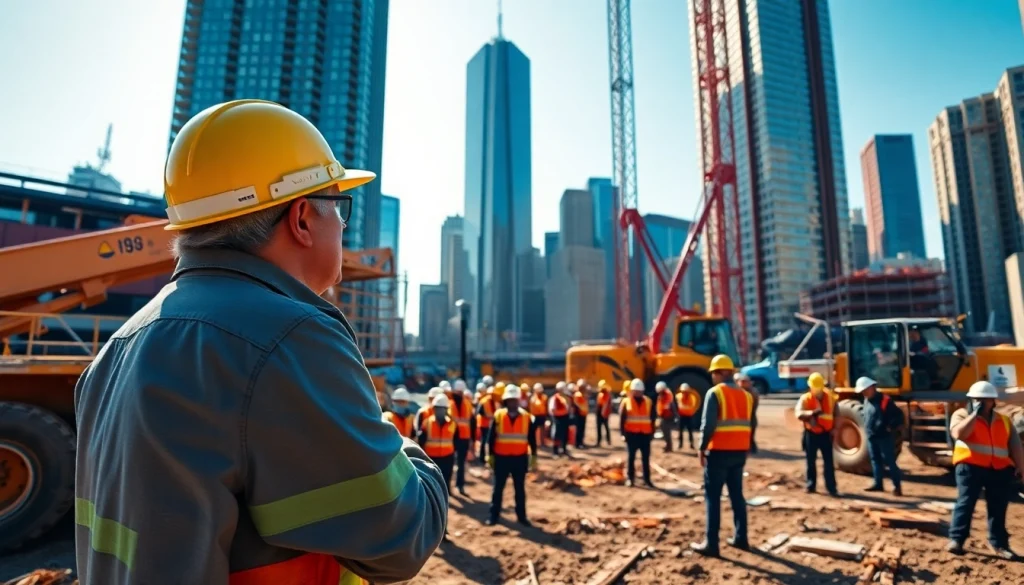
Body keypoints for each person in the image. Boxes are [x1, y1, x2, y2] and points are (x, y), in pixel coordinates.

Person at [73, 100, 446, 584]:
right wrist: (401, 448)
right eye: (339, 208)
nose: (343, 226)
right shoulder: (291, 339)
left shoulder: (116, 350)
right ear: (302, 218)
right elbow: (402, 538)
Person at [946, 381, 1024, 559]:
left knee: (998, 507)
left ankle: (999, 544)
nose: (981, 402)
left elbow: (1016, 446)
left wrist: (1021, 467)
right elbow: (959, 434)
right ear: (971, 399)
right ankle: (956, 540)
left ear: (993, 401)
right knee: (965, 503)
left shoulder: (1003, 420)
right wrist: (975, 414)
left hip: (998, 469)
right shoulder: (962, 415)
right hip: (970, 467)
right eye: (977, 399)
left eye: (986, 400)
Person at [692, 355, 755, 557]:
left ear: (719, 373)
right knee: (737, 496)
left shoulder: (715, 393)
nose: (712, 377)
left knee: (713, 497)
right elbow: (750, 424)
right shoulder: (746, 395)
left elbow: (708, 426)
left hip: (718, 452)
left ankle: (712, 544)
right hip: (739, 453)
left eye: (713, 373)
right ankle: (741, 538)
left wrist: (702, 448)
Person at [485, 385, 537, 526]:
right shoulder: (498, 415)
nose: (512, 403)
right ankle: (493, 516)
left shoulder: (526, 417)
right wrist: (490, 456)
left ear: (518, 400)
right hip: (501, 458)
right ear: (506, 401)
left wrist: (534, 456)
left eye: (514, 400)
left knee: (519, 489)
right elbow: (491, 438)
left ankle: (522, 517)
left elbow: (531, 438)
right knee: (497, 489)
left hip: (520, 459)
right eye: (509, 400)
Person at [417, 394, 457, 543]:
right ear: (433, 409)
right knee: (428, 496)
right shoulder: (426, 423)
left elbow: (456, 443)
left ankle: (442, 529)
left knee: (443, 497)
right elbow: (421, 444)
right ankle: (427, 531)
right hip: (430, 462)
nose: (440, 411)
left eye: (442, 409)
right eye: (437, 408)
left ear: (446, 410)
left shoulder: (453, 424)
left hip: (447, 461)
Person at [857, 377, 904, 495]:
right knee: (875, 460)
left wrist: (890, 427)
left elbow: (899, 416)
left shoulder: (885, 400)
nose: (863, 393)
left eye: (865, 390)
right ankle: (878, 484)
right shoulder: (866, 399)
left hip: (884, 437)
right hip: (871, 436)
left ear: (872, 387)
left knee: (890, 461)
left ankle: (897, 487)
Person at [795, 373, 838, 496]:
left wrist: (835, 429)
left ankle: (831, 488)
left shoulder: (831, 398)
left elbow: (837, 414)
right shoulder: (805, 398)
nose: (816, 391)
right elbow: (798, 413)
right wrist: (811, 413)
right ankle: (811, 485)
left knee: (828, 462)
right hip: (811, 433)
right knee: (810, 461)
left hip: (826, 434)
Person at [619, 378, 656, 488]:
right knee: (631, 458)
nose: (638, 393)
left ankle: (647, 479)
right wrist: (623, 434)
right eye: (636, 391)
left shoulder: (648, 401)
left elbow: (653, 418)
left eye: (639, 391)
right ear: (632, 391)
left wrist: (652, 433)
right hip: (632, 435)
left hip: (645, 435)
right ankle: (630, 478)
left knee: (646, 458)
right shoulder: (626, 402)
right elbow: (622, 419)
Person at [449, 379, 476, 497]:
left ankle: (460, 485)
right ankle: (448, 486)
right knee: (449, 464)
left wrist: (472, 440)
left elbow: (472, 422)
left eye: (460, 392)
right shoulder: (449, 404)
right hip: (451, 438)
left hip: (464, 438)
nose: (459, 394)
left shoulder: (468, 404)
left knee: (461, 463)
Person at [476, 382, 499, 463]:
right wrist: (490, 416)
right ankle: (482, 458)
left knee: (489, 441)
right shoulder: (484, 401)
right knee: (484, 441)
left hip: (490, 424)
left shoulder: (493, 401)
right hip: (484, 424)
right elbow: (479, 412)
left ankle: (489, 457)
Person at [549, 382, 573, 457]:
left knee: (565, 434)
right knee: (556, 434)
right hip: (557, 418)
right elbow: (552, 409)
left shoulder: (567, 398)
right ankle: (555, 452)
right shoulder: (554, 398)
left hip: (565, 418)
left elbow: (569, 407)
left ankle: (564, 449)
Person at [675, 383, 700, 449]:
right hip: (681, 417)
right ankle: (680, 444)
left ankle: (691, 444)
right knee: (680, 431)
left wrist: (692, 412)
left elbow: (694, 406)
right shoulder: (678, 396)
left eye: (686, 391)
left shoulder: (692, 397)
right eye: (684, 391)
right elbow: (675, 406)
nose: (685, 393)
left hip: (689, 417)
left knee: (690, 431)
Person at [655, 381, 677, 452]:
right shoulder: (662, 396)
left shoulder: (667, 395)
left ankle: (669, 447)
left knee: (666, 431)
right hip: (664, 416)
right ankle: (667, 445)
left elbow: (670, 406)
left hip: (667, 416)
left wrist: (674, 416)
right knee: (664, 431)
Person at [529, 383, 549, 449]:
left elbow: (546, 406)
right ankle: (534, 443)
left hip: (542, 415)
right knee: (534, 430)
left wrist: (547, 415)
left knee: (542, 430)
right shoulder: (533, 398)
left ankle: (542, 443)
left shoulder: (544, 397)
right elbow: (531, 408)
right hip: (535, 416)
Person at [595, 379, 614, 447]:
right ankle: (599, 441)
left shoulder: (606, 394)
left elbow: (605, 404)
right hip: (600, 412)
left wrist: (603, 413)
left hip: (603, 413)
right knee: (599, 427)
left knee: (605, 427)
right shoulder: (600, 394)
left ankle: (608, 440)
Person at [573, 380, 590, 448]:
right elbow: (579, 405)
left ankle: (581, 442)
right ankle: (578, 443)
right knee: (579, 429)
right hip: (579, 415)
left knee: (582, 429)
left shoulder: (583, 394)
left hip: (583, 414)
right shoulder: (578, 395)